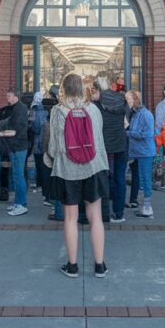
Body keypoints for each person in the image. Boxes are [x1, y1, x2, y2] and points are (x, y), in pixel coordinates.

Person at [46, 73, 110, 278]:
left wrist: (51, 160)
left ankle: (72, 266)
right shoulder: (93, 109)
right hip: (94, 168)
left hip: (68, 170)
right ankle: (100, 265)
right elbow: (99, 140)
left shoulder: (58, 111)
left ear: (63, 88)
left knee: (71, 218)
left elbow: (55, 146)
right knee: (96, 217)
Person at [92, 77, 129, 223]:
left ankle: (104, 213)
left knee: (103, 178)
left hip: (104, 145)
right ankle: (119, 213)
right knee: (120, 179)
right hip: (121, 143)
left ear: (98, 89)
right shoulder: (121, 100)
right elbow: (126, 121)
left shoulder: (97, 104)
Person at [0, 88, 29, 216]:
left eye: (9, 96)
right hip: (15, 147)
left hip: (19, 147)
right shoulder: (16, 108)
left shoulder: (20, 109)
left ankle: (21, 204)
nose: (7, 98)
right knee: (16, 176)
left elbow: (14, 131)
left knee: (18, 176)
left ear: (15, 97)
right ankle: (18, 202)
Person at [126, 90, 156, 218]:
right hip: (138, 152)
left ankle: (148, 208)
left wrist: (129, 133)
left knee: (145, 179)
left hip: (145, 152)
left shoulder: (145, 114)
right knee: (141, 179)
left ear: (135, 99)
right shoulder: (136, 113)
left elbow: (148, 134)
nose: (126, 101)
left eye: (128, 99)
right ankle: (144, 206)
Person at [29, 91, 50, 200]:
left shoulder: (35, 110)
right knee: (44, 165)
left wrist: (30, 125)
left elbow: (35, 128)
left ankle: (40, 185)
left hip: (38, 142)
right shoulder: (46, 110)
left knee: (39, 165)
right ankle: (43, 186)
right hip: (45, 142)